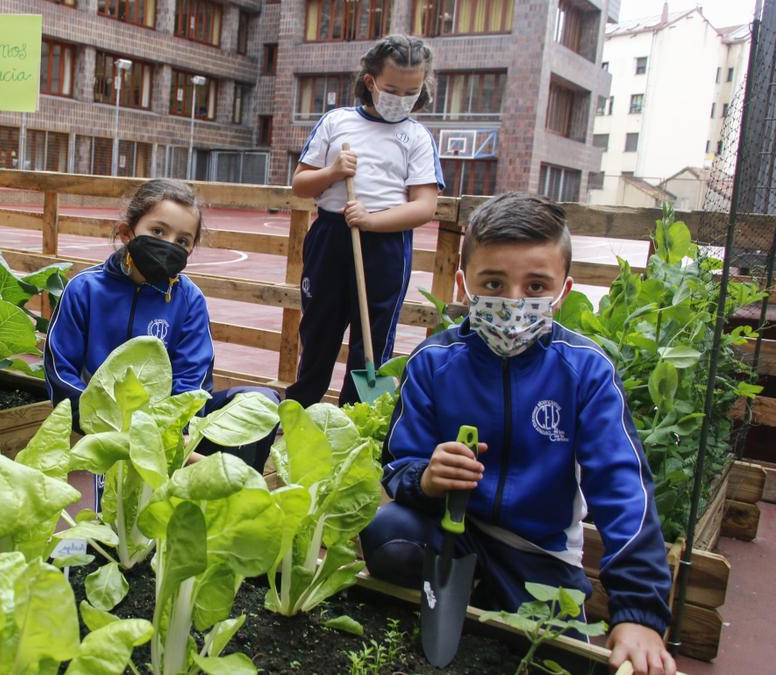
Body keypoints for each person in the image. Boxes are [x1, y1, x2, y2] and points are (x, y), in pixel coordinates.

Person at [359, 192, 677, 675]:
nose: (513, 302)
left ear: (562, 292)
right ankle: (462, 592)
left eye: (535, 286)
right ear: (465, 286)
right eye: (493, 282)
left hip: (541, 553)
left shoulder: (585, 371)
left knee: (564, 662)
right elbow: (399, 465)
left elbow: (624, 490)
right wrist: (426, 478)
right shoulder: (433, 363)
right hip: (456, 537)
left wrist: (639, 614)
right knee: (387, 536)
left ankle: (501, 597)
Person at [43, 177, 278, 474]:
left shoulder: (189, 299)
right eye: (157, 231)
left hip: (169, 433)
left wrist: (167, 439)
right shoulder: (84, 290)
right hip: (104, 432)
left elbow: (193, 381)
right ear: (128, 233)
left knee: (260, 402)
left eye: (182, 241)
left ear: (191, 250)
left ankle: (232, 499)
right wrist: (112, 432)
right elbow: (61, 373)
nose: (168, 245)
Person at [286, 34, 443, 407]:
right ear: (370, 81)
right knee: (319, 329)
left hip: (384, 244)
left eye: (411, 91)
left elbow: (424, 206)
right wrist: (334, 172)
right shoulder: (336, 122)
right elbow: (300, 184)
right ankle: (299, 412)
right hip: (330, 236)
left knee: (372, 339)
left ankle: (355, 419)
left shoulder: (416, 137)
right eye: (391, 88)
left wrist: (373, 221)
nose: (400, 99)